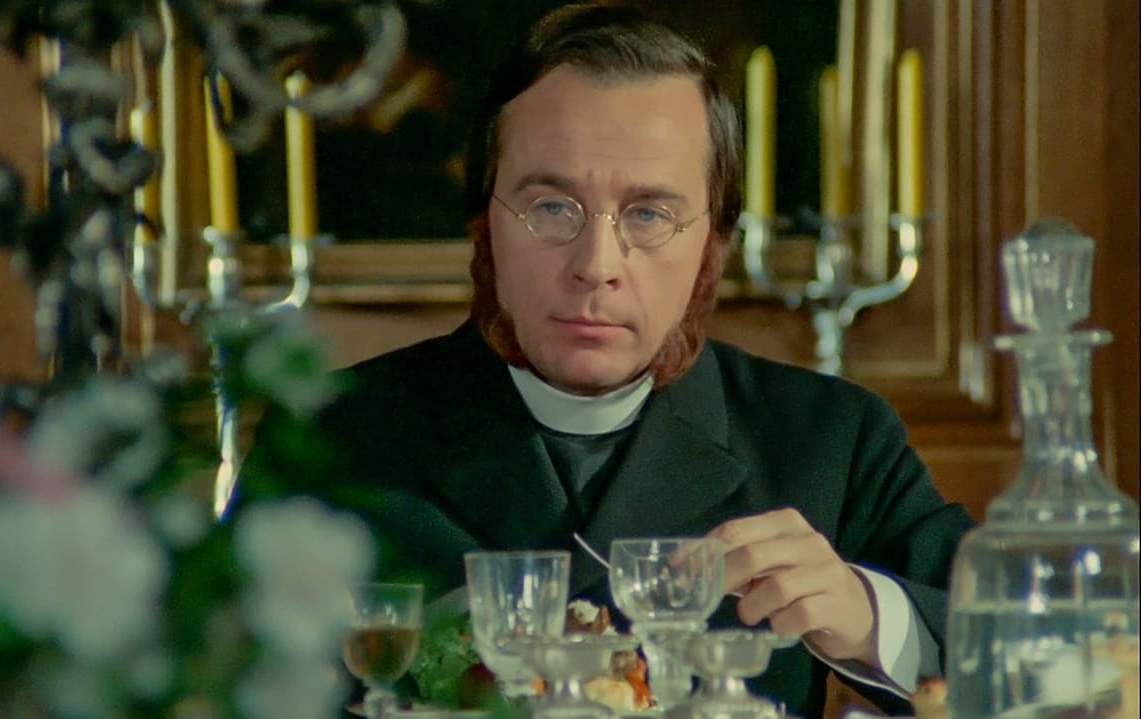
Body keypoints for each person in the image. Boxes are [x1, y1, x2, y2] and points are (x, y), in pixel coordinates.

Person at [247, 3, 975, 716]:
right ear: (483, 226)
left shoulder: (830, 441)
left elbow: (1013, 655)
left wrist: (872, 616)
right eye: (551, 208)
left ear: (712, 246)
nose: (597, 265)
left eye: (649, 214)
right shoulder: (326, 439)